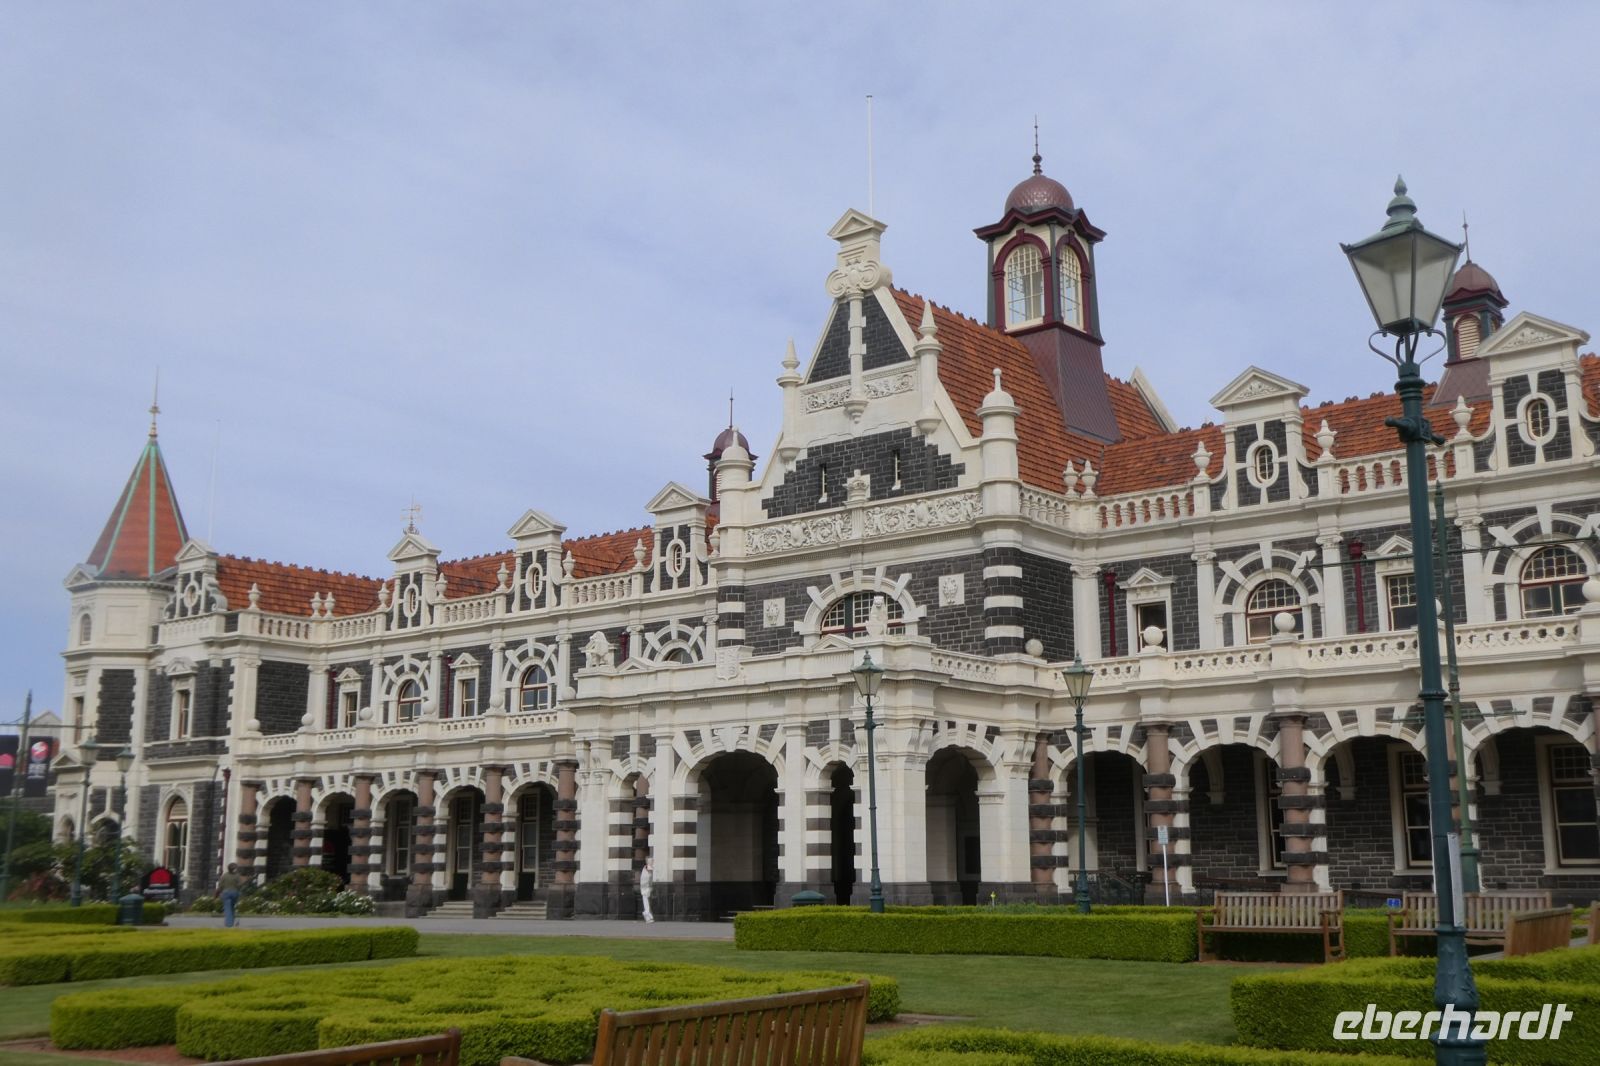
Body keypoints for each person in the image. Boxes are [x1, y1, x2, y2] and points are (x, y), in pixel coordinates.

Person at [217, 863, 244, 928]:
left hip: (226, 893)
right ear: (234, 869)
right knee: (232, 907)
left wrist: (217, 894)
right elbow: (240, 885)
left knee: (227, 908)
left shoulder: (224, 876)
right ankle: (232, 921)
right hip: (235, 893)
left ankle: (229, 924)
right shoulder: (237, 876)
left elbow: (220, 886)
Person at [639, 857, 655, 923]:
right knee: (646, 901)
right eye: (651, 861)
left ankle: (648, 915)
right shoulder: (648, 867)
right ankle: (647, 914)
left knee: (646, 901)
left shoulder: (645, 868)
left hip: (645, 887)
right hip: (646, 887)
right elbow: (649, 878)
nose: (653, 862)